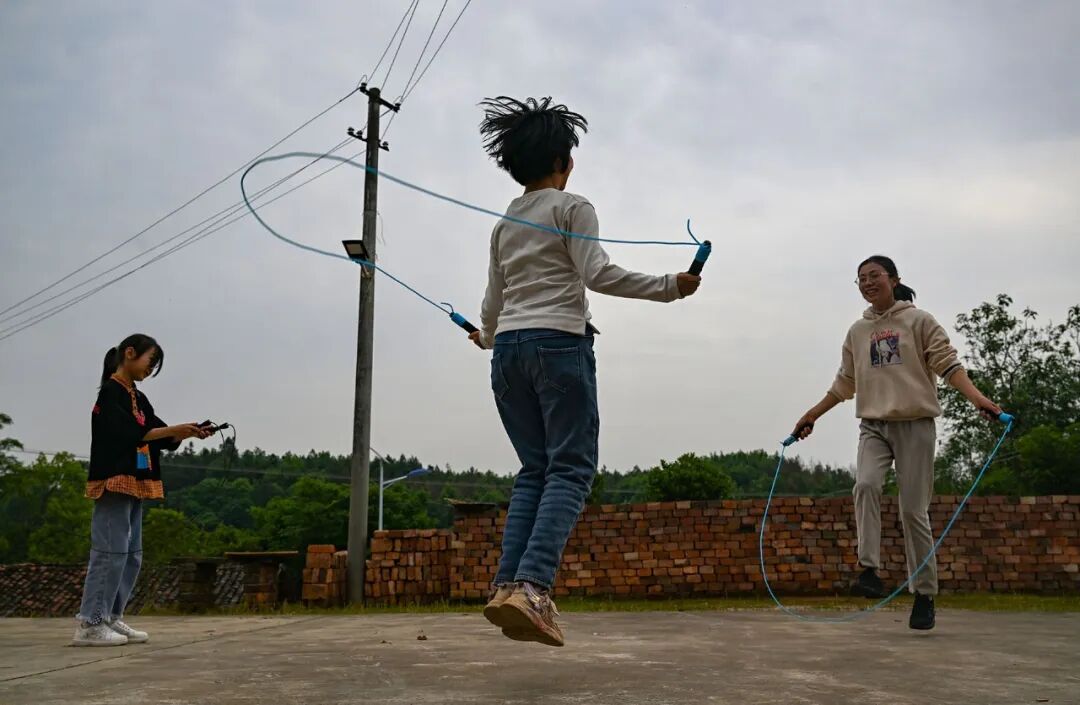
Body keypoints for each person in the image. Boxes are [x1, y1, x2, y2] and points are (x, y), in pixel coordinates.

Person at [469, 96, 702, 646]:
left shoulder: (504, 224)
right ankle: (532, 589)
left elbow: (492, 302)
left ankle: (506, 586)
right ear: (562, 161)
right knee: (570, 470)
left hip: (507, 355)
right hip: (558, 346)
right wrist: (671, 287)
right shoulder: (572, 207)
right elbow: (597, 274)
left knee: (534, 470)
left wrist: (486, 336)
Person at [791, 256, 1002, 630]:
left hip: (915, 424)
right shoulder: (857, 331)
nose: (868, 283)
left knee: (912, 511)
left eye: (874, 276)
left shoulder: (919, 321)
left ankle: (924, 594)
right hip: (873, 424)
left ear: (894, 279)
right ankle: (869, 570)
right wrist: (812, 414)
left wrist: (979, 400)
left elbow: (948, 365)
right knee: (866, 484)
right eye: (861, 279)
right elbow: (844, 383)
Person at [73, 334, 212, 646]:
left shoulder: (137, 396)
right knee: (109, 553)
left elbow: (157, 432)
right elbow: (134, 433)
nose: (151, 369)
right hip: (114, 481)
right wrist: (173, 430)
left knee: (131, 555)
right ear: (130, 353)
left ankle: (110, 616)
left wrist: (185, 433)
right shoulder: (110, 394)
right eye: (151, 362)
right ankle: (89, 623)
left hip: (136, 482)